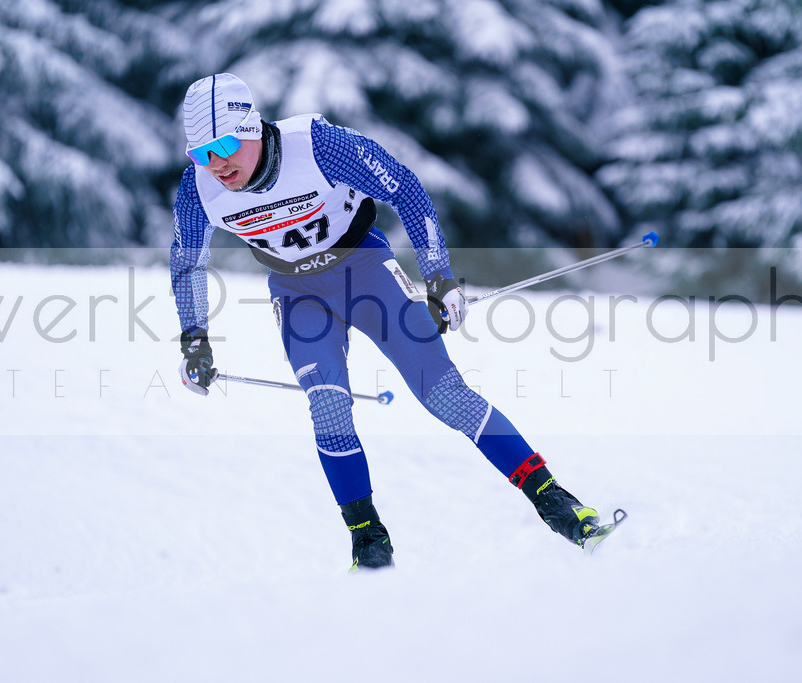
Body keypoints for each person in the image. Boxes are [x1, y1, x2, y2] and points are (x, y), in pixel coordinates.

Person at [171, 73, 612, 571]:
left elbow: (406, 188)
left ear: (253, 128)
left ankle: (556, 501)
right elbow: (187, 262)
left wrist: (439, 277)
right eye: (201, 152)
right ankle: (369, 543)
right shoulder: (198, 188)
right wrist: (194, 338)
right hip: (297, 295)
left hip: (364, 272)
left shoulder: (317, 146)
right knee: (328, 407)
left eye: (226, 145)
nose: (217, 163)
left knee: (444, 394)